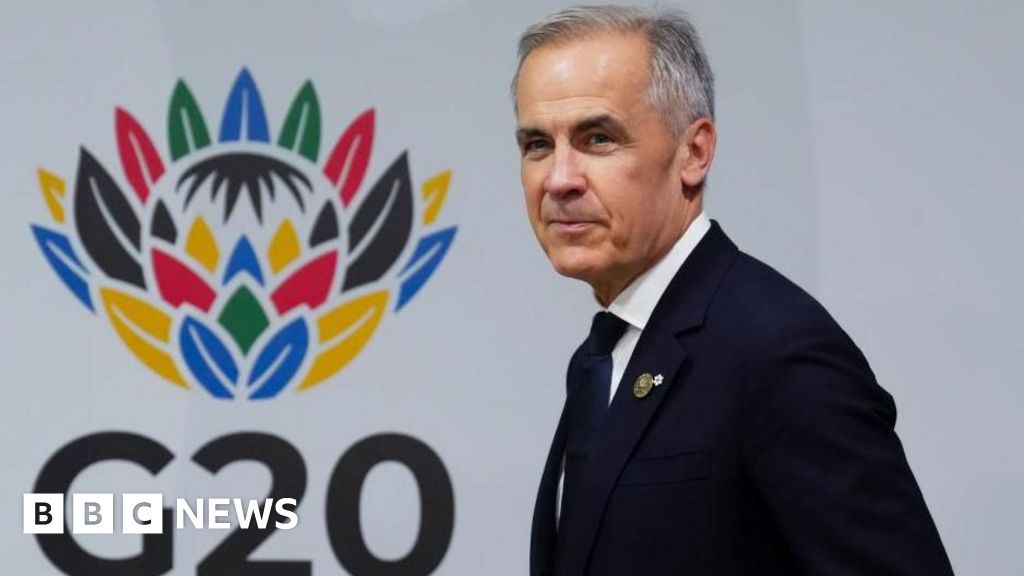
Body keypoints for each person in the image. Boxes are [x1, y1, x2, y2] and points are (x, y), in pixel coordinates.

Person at [512, 5, 955, 575]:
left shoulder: (777, 351)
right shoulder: (599, 359)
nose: (558, 179)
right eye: (537, 144)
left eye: (598, 138)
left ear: (694, 153)